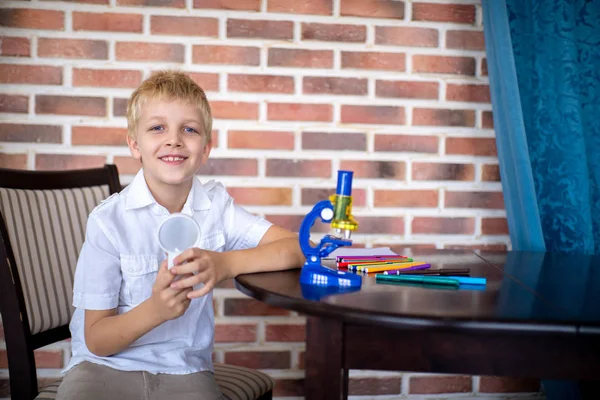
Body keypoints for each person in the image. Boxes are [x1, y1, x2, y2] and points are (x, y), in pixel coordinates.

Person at [56, 70, 305, 399]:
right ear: (135, 144)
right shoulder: (108, 221)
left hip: (184, 369)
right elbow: (97, 340)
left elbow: (296, 249)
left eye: (189, 129)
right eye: (157, 127)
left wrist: (224, 264)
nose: (173, 139)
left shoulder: (216, 208)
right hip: (102, 367)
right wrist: (156, 310)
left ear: (205, 149)